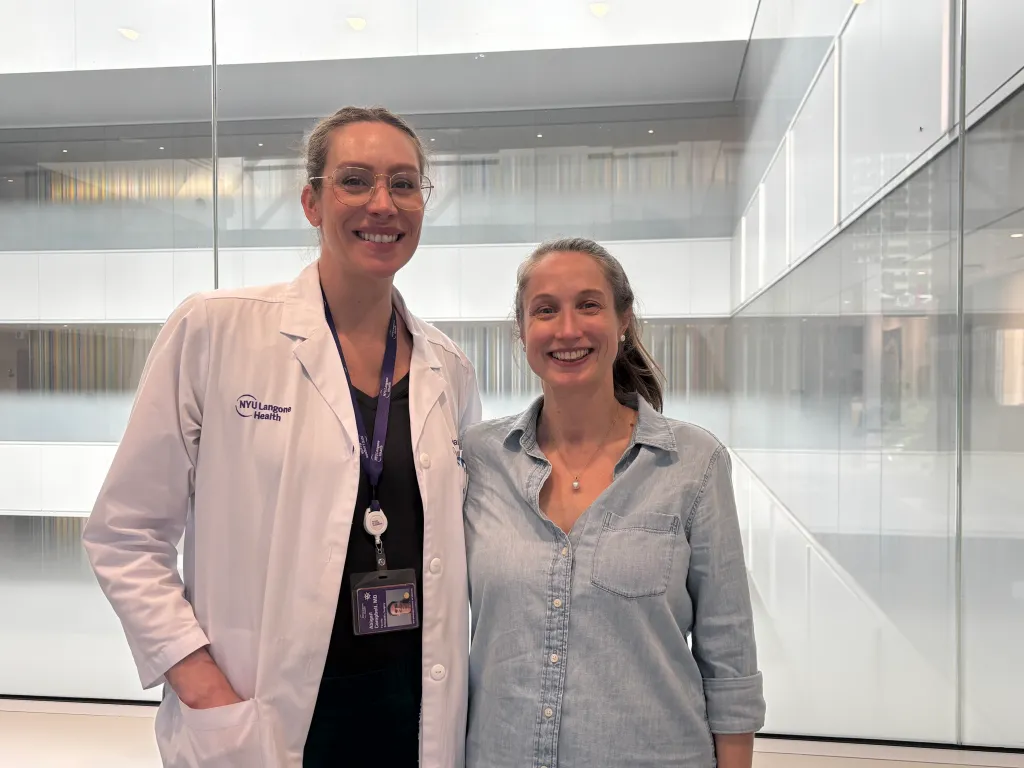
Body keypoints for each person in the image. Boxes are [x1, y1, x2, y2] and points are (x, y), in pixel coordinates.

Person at [82, 106, 481, 768]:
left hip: (409, 718)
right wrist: (199, 683)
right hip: (260, 719)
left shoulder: (450, 368)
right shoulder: (216, 330)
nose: (382, 204)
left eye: (404, 184)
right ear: (311, 201)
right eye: (356, 181)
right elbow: (125, 533)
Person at [461, 237, 765, 768]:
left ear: (624, 321)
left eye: (589, 305)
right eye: (546, 310)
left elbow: (729, 657)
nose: (568, 329)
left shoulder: (694, 464)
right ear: (523, 330)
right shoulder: (479, 460)